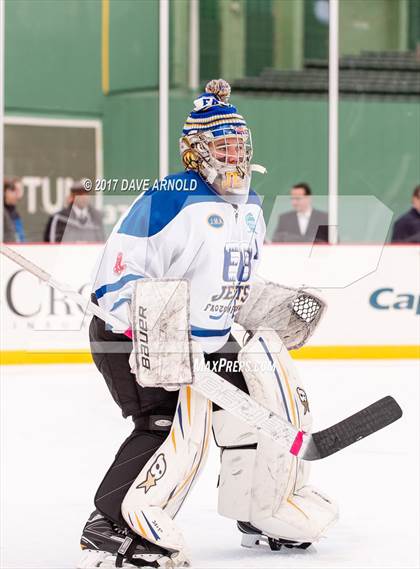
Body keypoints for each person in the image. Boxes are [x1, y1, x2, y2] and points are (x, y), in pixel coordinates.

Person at [78, 79, 337, 568]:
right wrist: (153, 325)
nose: (234, 156)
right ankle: (109, 526)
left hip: (209, 343)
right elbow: (116, 274)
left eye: (240, 146)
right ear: (196, 151)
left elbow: (232, 281)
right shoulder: (170, 198)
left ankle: (259, 509)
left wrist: (267, 305)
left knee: (260, 415)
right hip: (133, 339)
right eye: (223, 146)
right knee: (166, 426)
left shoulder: (251, 206)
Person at [3, 177, 26, 243]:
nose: (18, 194)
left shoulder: (15, 213)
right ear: (5, 191)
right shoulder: (2, 212)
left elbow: (20, 238)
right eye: (13, 189)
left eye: (20, 190)